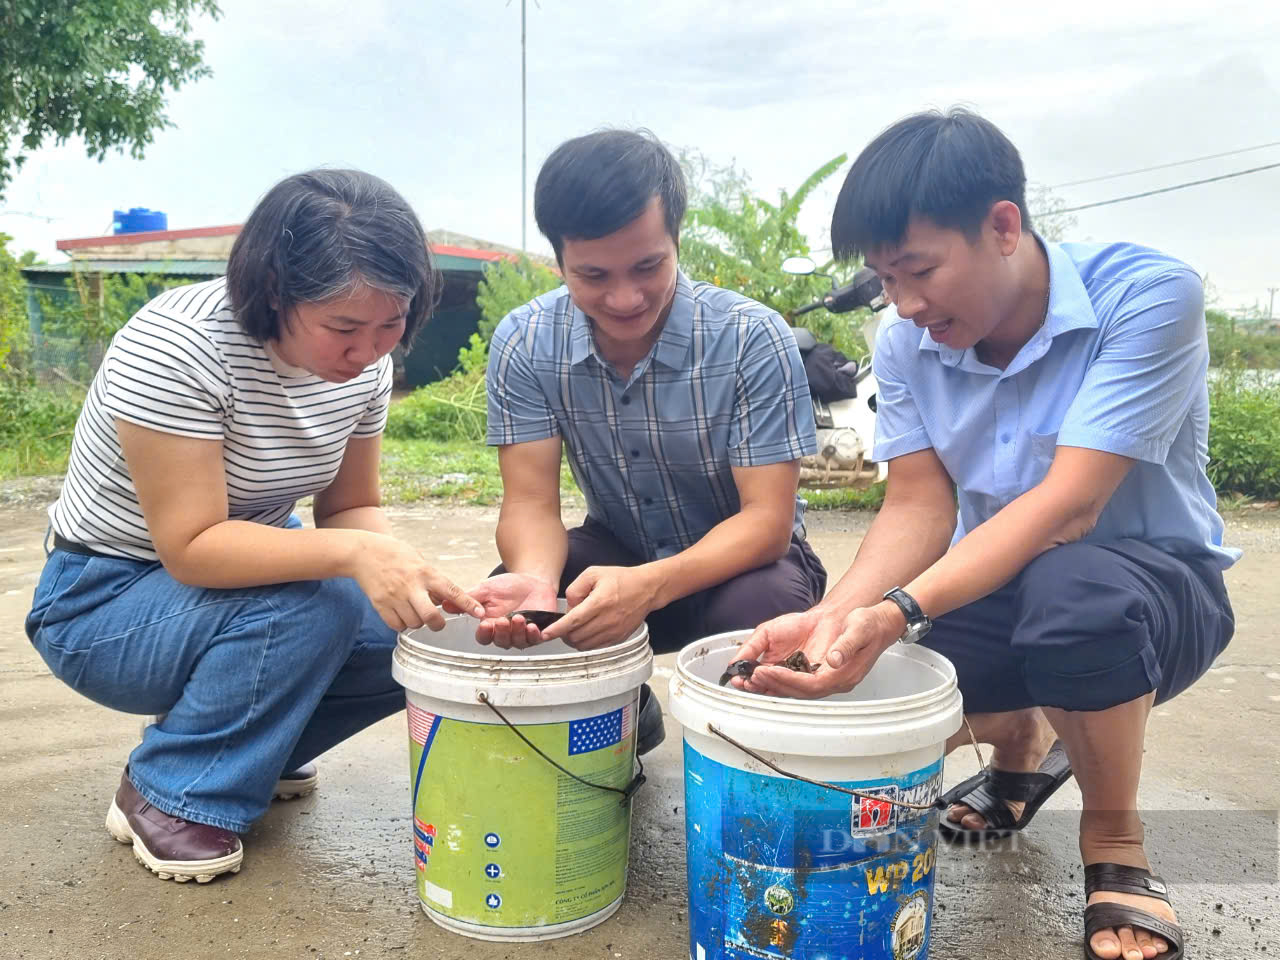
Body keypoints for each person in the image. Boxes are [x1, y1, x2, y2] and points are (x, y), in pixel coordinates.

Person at [734, 109, 1233, 960]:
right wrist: (838, 616)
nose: (907, 303)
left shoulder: (1148, 296)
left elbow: (1071, 505)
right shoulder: (907, 346)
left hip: (1151, 591)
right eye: (886, 280)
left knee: (1068, 596)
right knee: (872, 676)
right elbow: (920, 508)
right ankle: (1020, 754)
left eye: (920, 270)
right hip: (1004, 587)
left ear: (1004, 226)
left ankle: (1115, 844)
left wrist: (896, 611)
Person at [25, 169, 484, 884]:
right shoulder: (179, 349)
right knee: (315, 602)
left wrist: (403, 572)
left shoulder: (361, 369)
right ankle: (171, 792)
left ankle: (247, 754)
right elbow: (193, 546)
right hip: (102, 600)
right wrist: (356, 555)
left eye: (390, 324)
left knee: (422, 634)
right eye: (342, 328)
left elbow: (350, 508)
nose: (367, 353)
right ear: (276, 293)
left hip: (228, 587)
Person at [473, 129, 828, 752]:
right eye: (592, 275)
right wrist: (535, 581)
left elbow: (767, 521)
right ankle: (622, 712)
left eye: (647, 266)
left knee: (768, 603)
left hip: (740, 563)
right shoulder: (526, 341)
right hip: (617, 547)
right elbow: (530, 504)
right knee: (520, 600)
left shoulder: (749, 337)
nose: (625, 297)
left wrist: (651, 585)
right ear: (558, 260)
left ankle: (743, 749)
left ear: (677, 240)